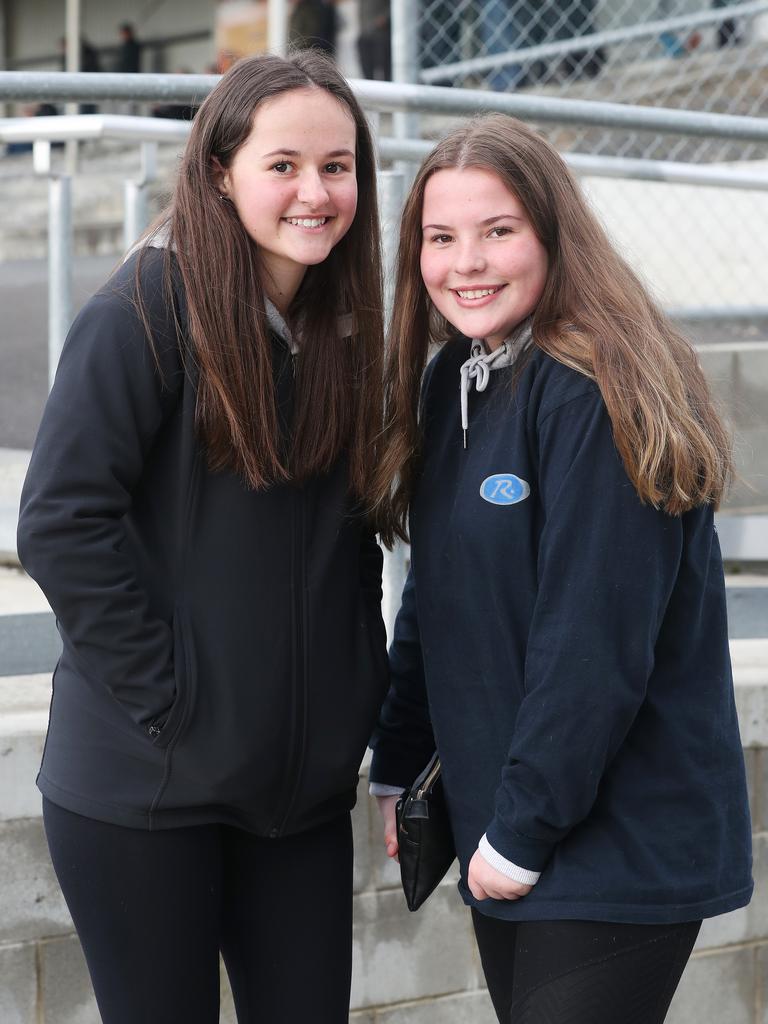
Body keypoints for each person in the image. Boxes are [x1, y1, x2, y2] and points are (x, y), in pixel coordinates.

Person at [17, 50, 387, 1024]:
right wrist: (172, 701)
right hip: (147, 789)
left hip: (298, 795)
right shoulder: (142, 311)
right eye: (285, 165)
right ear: (221, 170)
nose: (316, 191)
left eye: (338, 166)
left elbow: (351, 547)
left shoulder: (339, 331)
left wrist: (355, 695)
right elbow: (59, 521)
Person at [369, 114, 752, 1024]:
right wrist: (399, 758)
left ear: (553, 233)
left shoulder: (600, 383)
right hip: (515, 823)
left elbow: (595, 639)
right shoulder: (453, 378)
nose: (468, 261)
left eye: (499, 231)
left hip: (612, 841)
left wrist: (523, 829)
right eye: (441, 237)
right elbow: (440, 589)